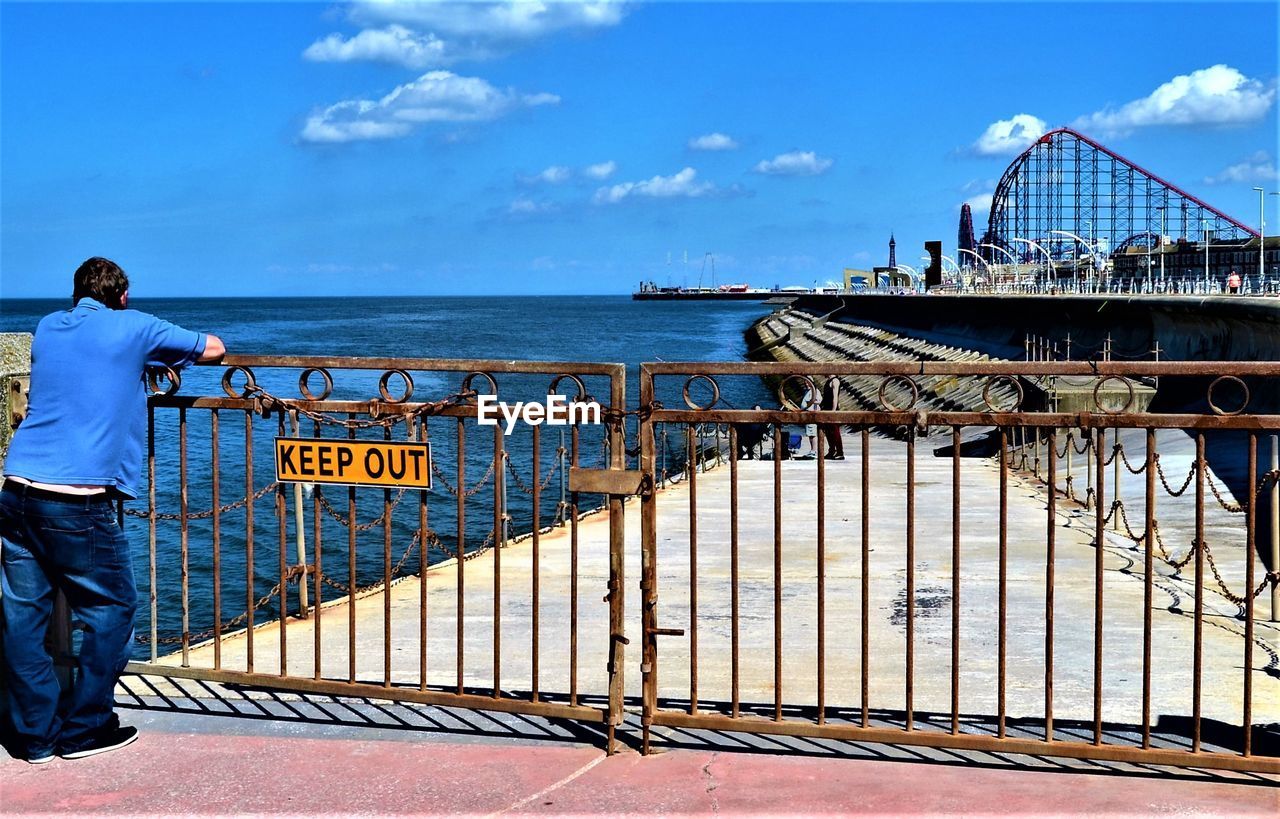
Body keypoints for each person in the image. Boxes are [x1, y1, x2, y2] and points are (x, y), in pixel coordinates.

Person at [0, 257, 225, 763]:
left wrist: (140, 364)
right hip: (76, 500)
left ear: (77, 293)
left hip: (15, 492)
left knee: (22, 619)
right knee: (111, 610)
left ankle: (34, 737)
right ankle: (86, 728)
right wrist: (154, 354)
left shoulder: (48, 326)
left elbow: (89, 368)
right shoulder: (136, 326)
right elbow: (214, 347)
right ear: (122, 296)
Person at [819, 377, 844, 460]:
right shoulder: (828, 381)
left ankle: (840, 452)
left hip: (831, 409)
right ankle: (832, 450)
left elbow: (835, 397)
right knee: (828, 432)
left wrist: (833, 410)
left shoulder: (835, 381)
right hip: (826, 408)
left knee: (835, 431)